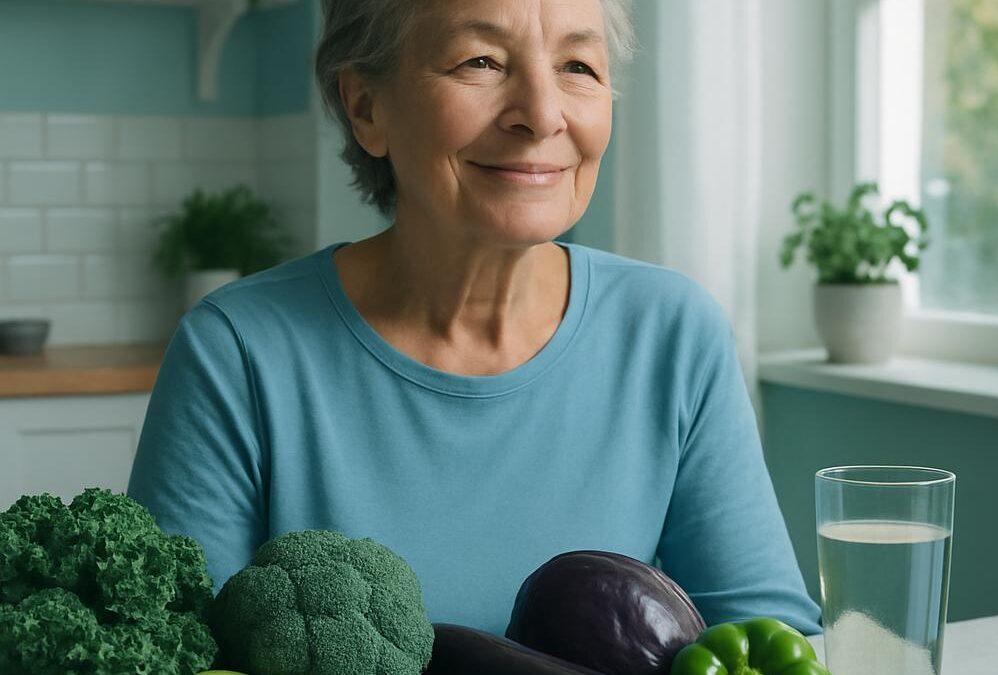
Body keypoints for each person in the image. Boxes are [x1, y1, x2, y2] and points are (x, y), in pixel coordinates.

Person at [127, 0, 822, 637]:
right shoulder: (238, 351)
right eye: (480, 62)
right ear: (366, 106)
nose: (542, 113)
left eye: (577, 65)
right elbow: (171, 648)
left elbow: (772, 638)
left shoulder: (673, 334)